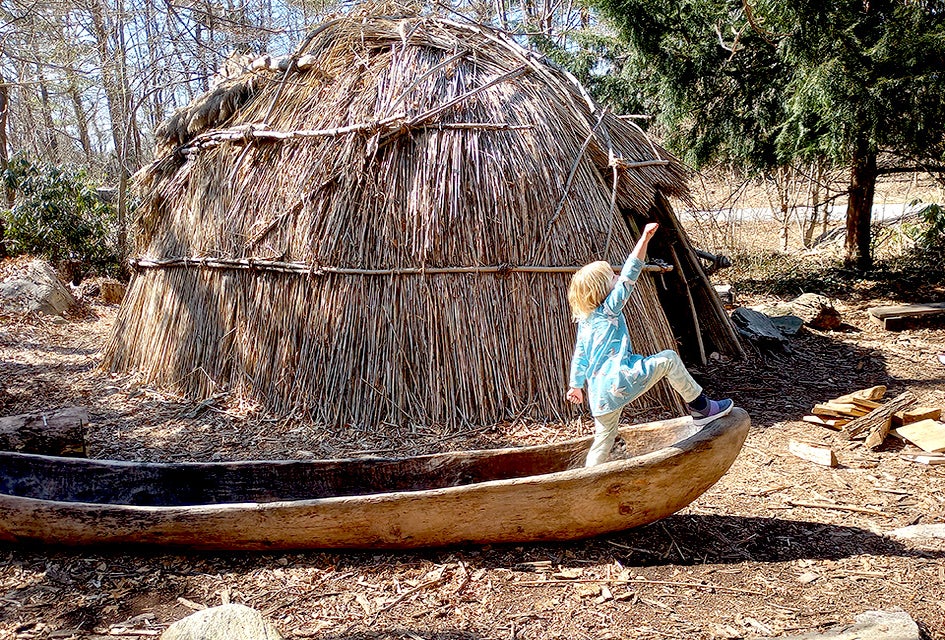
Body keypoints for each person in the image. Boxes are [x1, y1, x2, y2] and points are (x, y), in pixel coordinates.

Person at [566, 222, 733, 466]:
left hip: (599, 394)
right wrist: (643, 240)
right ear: (603, 289)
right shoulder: (610, 310)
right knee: (668, 359)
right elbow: (630, 274)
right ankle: (701, 407)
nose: (617, 276)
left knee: (603, 439)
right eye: (612, 276)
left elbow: (580, 356)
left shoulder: (586, 322)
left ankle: (586, 477)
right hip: (619, 380)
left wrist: (575, 385)